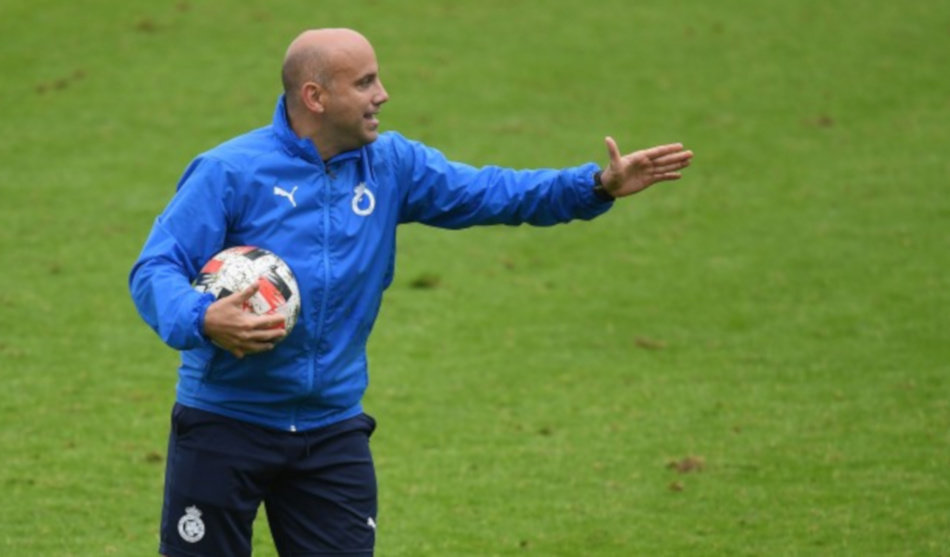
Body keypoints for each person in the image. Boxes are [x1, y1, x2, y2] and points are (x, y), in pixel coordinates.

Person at [129, 27, 692, 557]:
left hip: (329, 430)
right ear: (315, 96)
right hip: (225, 425)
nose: (384, 95)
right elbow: (156, 268)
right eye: (365, 82)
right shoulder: (229, 172)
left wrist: (595, 185)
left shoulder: (391, 166)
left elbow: (493, 192)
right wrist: (203, 318)